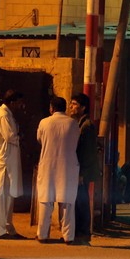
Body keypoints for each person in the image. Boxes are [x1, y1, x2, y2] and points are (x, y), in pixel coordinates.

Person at [36, 96, 80, 244]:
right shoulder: (73, 124)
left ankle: (42, 235)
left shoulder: (44, 122)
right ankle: (68, 236)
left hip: (48, 166)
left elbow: (39, 139)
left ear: (51, 108)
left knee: (45, 201)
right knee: (67, 202)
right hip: (67, 167)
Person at [0, 89, 26, 240]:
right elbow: (11, 137)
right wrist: (21, 135)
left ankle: (7, 228)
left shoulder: (6, 114)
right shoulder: (3, 115)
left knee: (7, 196)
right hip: (3, 163)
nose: (21, 105)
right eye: (19, 102)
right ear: (12, 102)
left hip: (6, 162)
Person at [70, 93, 100, 244]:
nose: (71, 107)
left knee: (81, 202)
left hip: (83, 171)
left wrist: (81, 173)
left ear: (83, 107)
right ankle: (81, 233)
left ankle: (83, 233)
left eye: (75, 104)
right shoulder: (80, 123)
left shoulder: (86, 126)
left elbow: (87, 152)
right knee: (79, 201)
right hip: (81, 170)